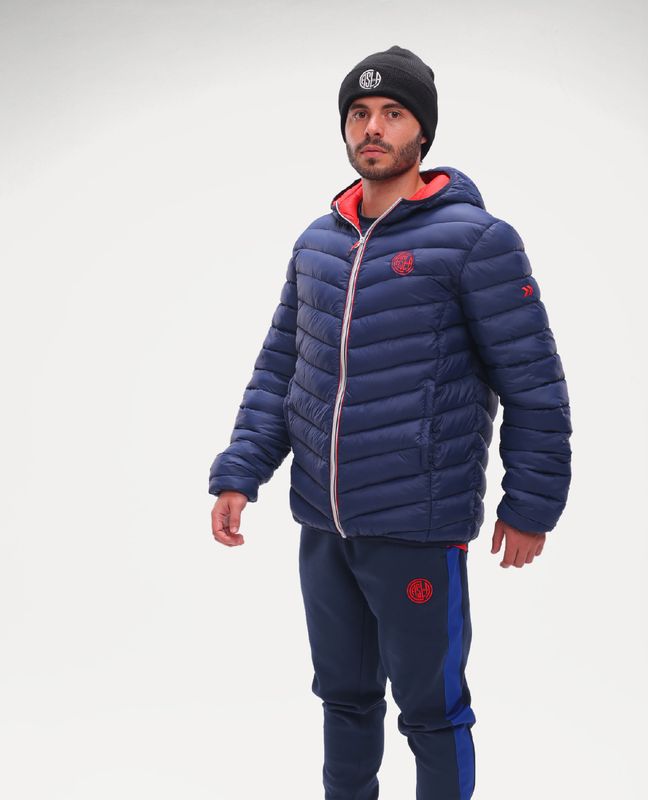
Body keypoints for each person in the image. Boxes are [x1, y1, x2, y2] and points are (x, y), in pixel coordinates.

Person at [209, 44, 572, 800]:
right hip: (324, 523)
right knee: (343, 698)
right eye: (359, 113)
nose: (372, 128)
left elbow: (533, 382)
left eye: (393, 113)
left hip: (417, 525)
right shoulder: (318, 243)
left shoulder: (477, 241)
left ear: (422, 132)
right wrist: (240, 471)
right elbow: (281, 368)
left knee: (432, 712)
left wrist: (530, 505)